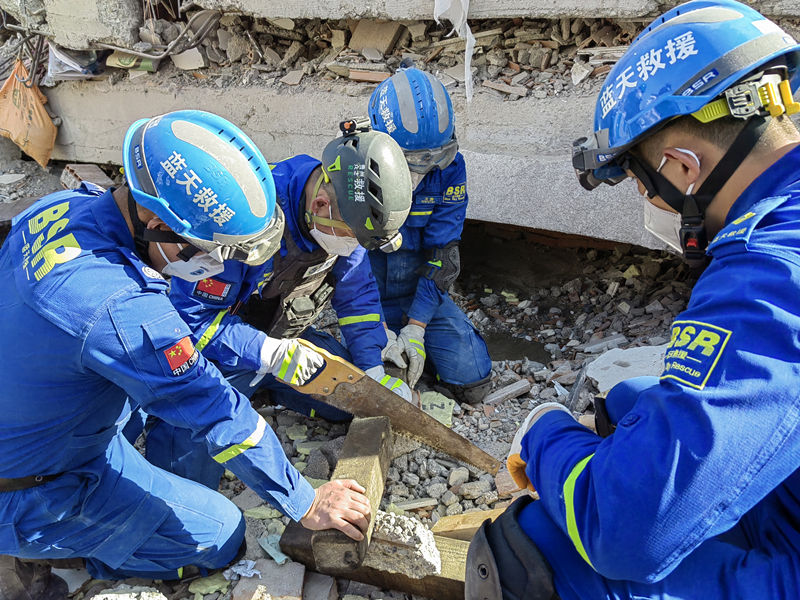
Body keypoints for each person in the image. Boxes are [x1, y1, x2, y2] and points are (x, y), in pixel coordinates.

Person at [465, 2, 800, 599]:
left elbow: (624, 533)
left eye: (645, 184)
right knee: (626, 403)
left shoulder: (768, 275)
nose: (653, 203)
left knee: (531, 548)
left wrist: (545, 438)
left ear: (683, 166)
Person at [0, 110, 371, 600]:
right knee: (220, 537)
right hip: (35, 486)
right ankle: (35, 549)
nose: (217, 266)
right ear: (156, 223)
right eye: (211, 250)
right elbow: (215, 407)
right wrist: (304, 501)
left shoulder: (61, 207)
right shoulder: (122, 311)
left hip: (37, 419)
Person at [147, 124, 414, 489]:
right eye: (354, 241)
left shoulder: (343, 218)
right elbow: (192, 320)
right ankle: (226, 394)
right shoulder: (244, 218)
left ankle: (264, 384)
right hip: (218, 350)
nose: (354, 250)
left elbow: (358, 298)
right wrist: (268, 354)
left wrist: (372, 368)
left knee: (350, 404)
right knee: (187, 476)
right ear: (320, 205)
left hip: (281, 338)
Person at [367, 67, 493, 403]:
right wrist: (374, 327)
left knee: (473, 381)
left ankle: (417, 342)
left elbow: (443, 256)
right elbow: (347, 265)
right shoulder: (354, 164)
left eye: (434, 159)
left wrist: (416, 328)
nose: (421, 173)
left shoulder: (451, 170)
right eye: (410, 162)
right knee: (378, 385)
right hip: (368, 295)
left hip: (417, 293)